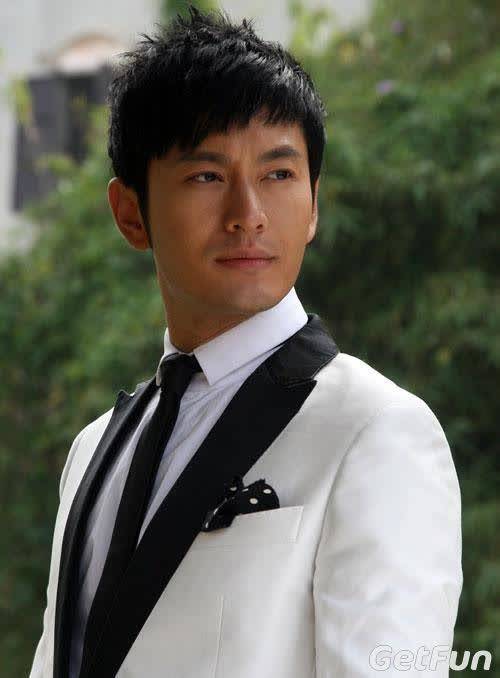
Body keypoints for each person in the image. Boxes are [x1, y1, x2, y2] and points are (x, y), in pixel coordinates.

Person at [29, 6, 463, 677]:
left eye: (278, 174)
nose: (248, 215)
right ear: (130, 213)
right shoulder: (94, 450)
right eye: (206, 176)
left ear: (314, 204)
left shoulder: (376, 430)